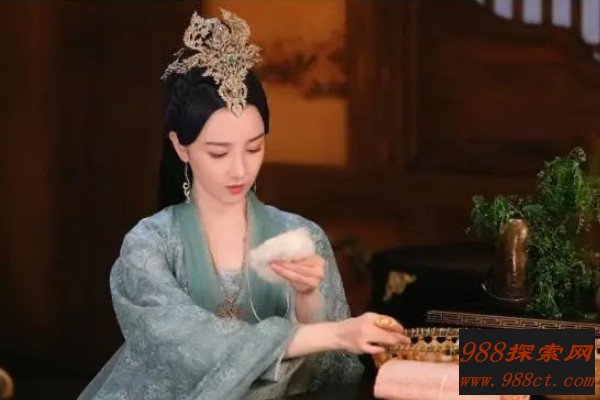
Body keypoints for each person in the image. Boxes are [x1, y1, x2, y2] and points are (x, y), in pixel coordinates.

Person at [79, 9, 407, 400]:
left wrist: (308, 299)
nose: (240, 170)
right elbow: (191, 343)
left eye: (254, 148)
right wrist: (334, 332)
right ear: (180, 146)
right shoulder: (149, 245)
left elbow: (329, 374)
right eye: (218, 153)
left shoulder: (301, 235)